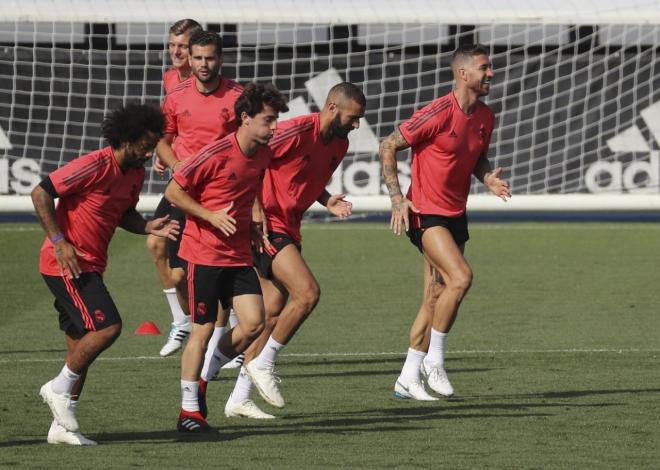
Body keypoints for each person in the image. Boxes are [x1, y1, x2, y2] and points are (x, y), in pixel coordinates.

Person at [209, 82, 366, 419]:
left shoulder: (340, 142)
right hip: (267, 228)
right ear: (332, 108)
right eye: (353, 118)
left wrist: (327, 200)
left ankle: (234, 394)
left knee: (272, 312)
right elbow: (248, 160)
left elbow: (308, 174)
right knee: (307, 293)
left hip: (289, 228)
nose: (356, 125)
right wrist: (253, 209)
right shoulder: (293, 131)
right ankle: (262, 363)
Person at [33, 103, 180, 445]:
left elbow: (123, 212)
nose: (148, 153)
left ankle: (60, 428)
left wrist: (146, 225)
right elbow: (41, 192)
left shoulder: (135, 173)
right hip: (66, 264)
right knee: (108, 327)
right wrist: (58, 241)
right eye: (144, 146)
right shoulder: (94, 164)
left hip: (91, 264)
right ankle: (56, 388)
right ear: (125, 139)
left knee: (79, 345)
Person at [378, 44, 511, 401]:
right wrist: (396, 198)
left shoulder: (485, 116)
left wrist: (488, 179)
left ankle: (407, 378)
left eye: (491, 67)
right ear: (463, 73)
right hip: (425, 213)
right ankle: (435, 361)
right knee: (462, 277)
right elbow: (387, 144)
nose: (491, 74)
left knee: (436, 294)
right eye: (484, 67)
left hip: (455, 214)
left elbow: (478, 158)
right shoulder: (436, 112)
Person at [164, 83, 289, 432]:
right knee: (202, 330)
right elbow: (173, 191)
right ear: (245, 119)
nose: (274, 126)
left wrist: (250, 224)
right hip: (203, 254)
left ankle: (205, 376)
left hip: (236, 254)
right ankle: (189, 413)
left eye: (276, 119)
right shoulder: (215, 153)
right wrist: (209, 215)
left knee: (253, 323)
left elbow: (245, 190)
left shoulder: (262, 153)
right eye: (268, 120)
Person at [152, 29, 244, 358]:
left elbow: (246, 143)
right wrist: (175, 164)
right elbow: (163, 139)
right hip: (185, 190)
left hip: (221, 192)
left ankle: (219, 338)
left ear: (220, 59)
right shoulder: (176, 96)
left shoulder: (237, 96)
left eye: (210, 58)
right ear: (190, 60)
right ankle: (185, 321)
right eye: (198, 58)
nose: (204, 64)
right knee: (165, 254)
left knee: (218, 264)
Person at [162, 19, 202, 95]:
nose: (176, 52)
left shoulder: (205, 83)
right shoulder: (169, 77)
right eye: (172, 45)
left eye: (183, 46)